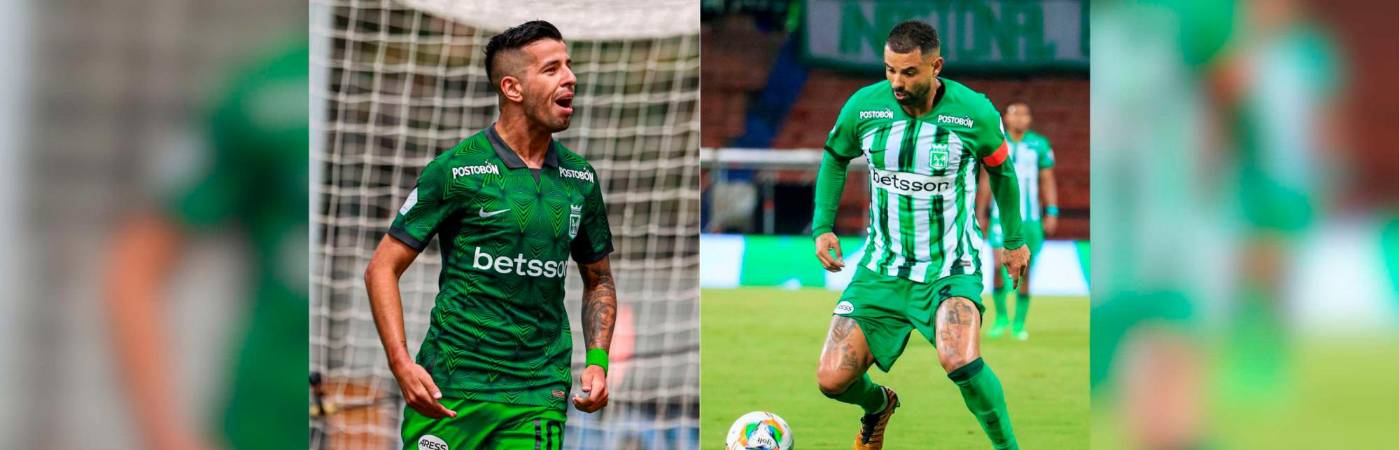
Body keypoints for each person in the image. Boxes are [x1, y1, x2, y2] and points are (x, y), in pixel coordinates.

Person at [361, 20, 617, 450]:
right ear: (512, 88)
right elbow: (381, 269)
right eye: (552, 69)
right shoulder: (457, 170)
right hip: (451, 389)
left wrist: (597, 362)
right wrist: (401, 364)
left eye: (568, 66)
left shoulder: (580, 179)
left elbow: (600, 279)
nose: (571, 78)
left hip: (538, 393)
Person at [811, 20, 1029, 450]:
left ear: (936, 67)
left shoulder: (974, 113)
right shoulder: (864, 108)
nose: (896, 81)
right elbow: (835, 158)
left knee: (960, 360)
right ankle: (878, 407)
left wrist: (1013, 239)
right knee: (832, 379)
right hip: (881, 269)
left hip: (950, 267)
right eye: (890, 70)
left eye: (909, 72)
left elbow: (1002, 170)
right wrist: (822, 227)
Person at [978, 102, 1059, 341]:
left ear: (1030, 119)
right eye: (1016, 113)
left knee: (1026, 269)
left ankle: (1019, 323)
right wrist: (981, 211)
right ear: (1006, 118)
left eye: (1025, 113)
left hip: (1031, 218)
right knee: (995, 265)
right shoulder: (996, 142)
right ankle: (1001, 317)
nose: (1021, 118)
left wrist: (1052, 211)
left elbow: (1047, 180)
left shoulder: (1039, 145)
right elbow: (985, 181)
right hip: (998, 217)